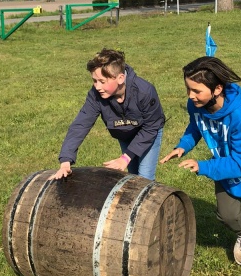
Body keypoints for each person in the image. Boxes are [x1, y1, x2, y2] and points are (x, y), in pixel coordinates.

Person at [160, 56, 241, 276]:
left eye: (196, 90)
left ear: (217, 89)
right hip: (226, 169)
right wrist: (182, 146)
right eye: (187, 88)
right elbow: (196, 126)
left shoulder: (240, 116)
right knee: (226, 215)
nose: (190, 95)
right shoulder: (197, 105)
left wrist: (203, 166)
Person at [52, 48, 165, 181]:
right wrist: (66, 160)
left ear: (120, 78)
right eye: (94, 81)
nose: (97, 86)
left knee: (144, 178)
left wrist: (125, 157)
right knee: (133, 177)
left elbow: (151, 126)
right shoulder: (96, 95)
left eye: (102, 81)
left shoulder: (144, 91)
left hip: (148, 132)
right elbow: (81, 124)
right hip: (124, 133)